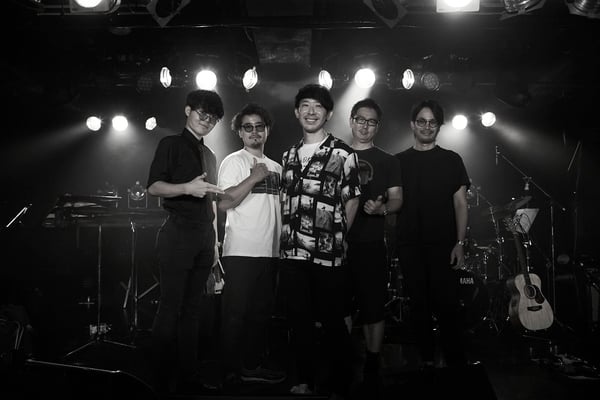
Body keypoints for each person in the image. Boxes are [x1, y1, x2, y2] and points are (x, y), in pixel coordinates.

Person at [279, 84, 361, 398]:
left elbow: (352, 200)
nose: (311, 112)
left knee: (331, 320)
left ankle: (341, 382)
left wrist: (339, 237)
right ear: (296, 112)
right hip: (292, 253)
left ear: (327, 114)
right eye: (305, 105)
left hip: (327, 252)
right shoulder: (288, 155)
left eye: (318, 107)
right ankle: (305, 380)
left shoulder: (343, 153)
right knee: (298, 321)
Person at [146, 89, 225, 393]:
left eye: (213, 117)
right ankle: (157, 381)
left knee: (193, 310)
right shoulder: (171, 144)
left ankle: (188, 378)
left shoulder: (210, 155)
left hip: (204, 236)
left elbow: (212, 201)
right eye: (202, 113)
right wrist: (186, 188)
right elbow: (154, 187)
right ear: (188, 111)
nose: (207, 120)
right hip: (178, 232)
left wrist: (214, 243)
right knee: (170, 308)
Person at [394, 99, 470, 368]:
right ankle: (426, 361)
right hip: (409, 244)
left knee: (448, 305)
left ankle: (456, 364)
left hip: (444, 245)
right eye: (422, 121)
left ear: (439, 126)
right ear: (412, 124)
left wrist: (459, 243)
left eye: (432, 122)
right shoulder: (398, 162)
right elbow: (392, 202)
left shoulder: (452, 160)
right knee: (418, 305)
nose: (427, 126)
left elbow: (461, 204)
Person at [216, 103, 285, 385]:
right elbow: (224, 203)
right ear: (240, 132)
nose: (254, 132)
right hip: (241, 251)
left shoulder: (277, 167)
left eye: (259, 126)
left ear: (267, 130)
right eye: (248, 127)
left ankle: (252, 366)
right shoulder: (234, 161)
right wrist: (254, 177)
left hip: (271, 252)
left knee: (260, 315)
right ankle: (229, 371)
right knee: (235, 315)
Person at [346, 98, 403, 390]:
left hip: (371, 244)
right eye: (360, 119)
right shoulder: (336, 155)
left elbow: (397, 199)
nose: (365, 126)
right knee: (340, 307)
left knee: (373, 308)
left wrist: (382, 209)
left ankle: (372, 362)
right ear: (351, 121)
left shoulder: (388, 161)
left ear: (377, 126)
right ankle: (342, 359)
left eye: (371, 122)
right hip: (338, 245)